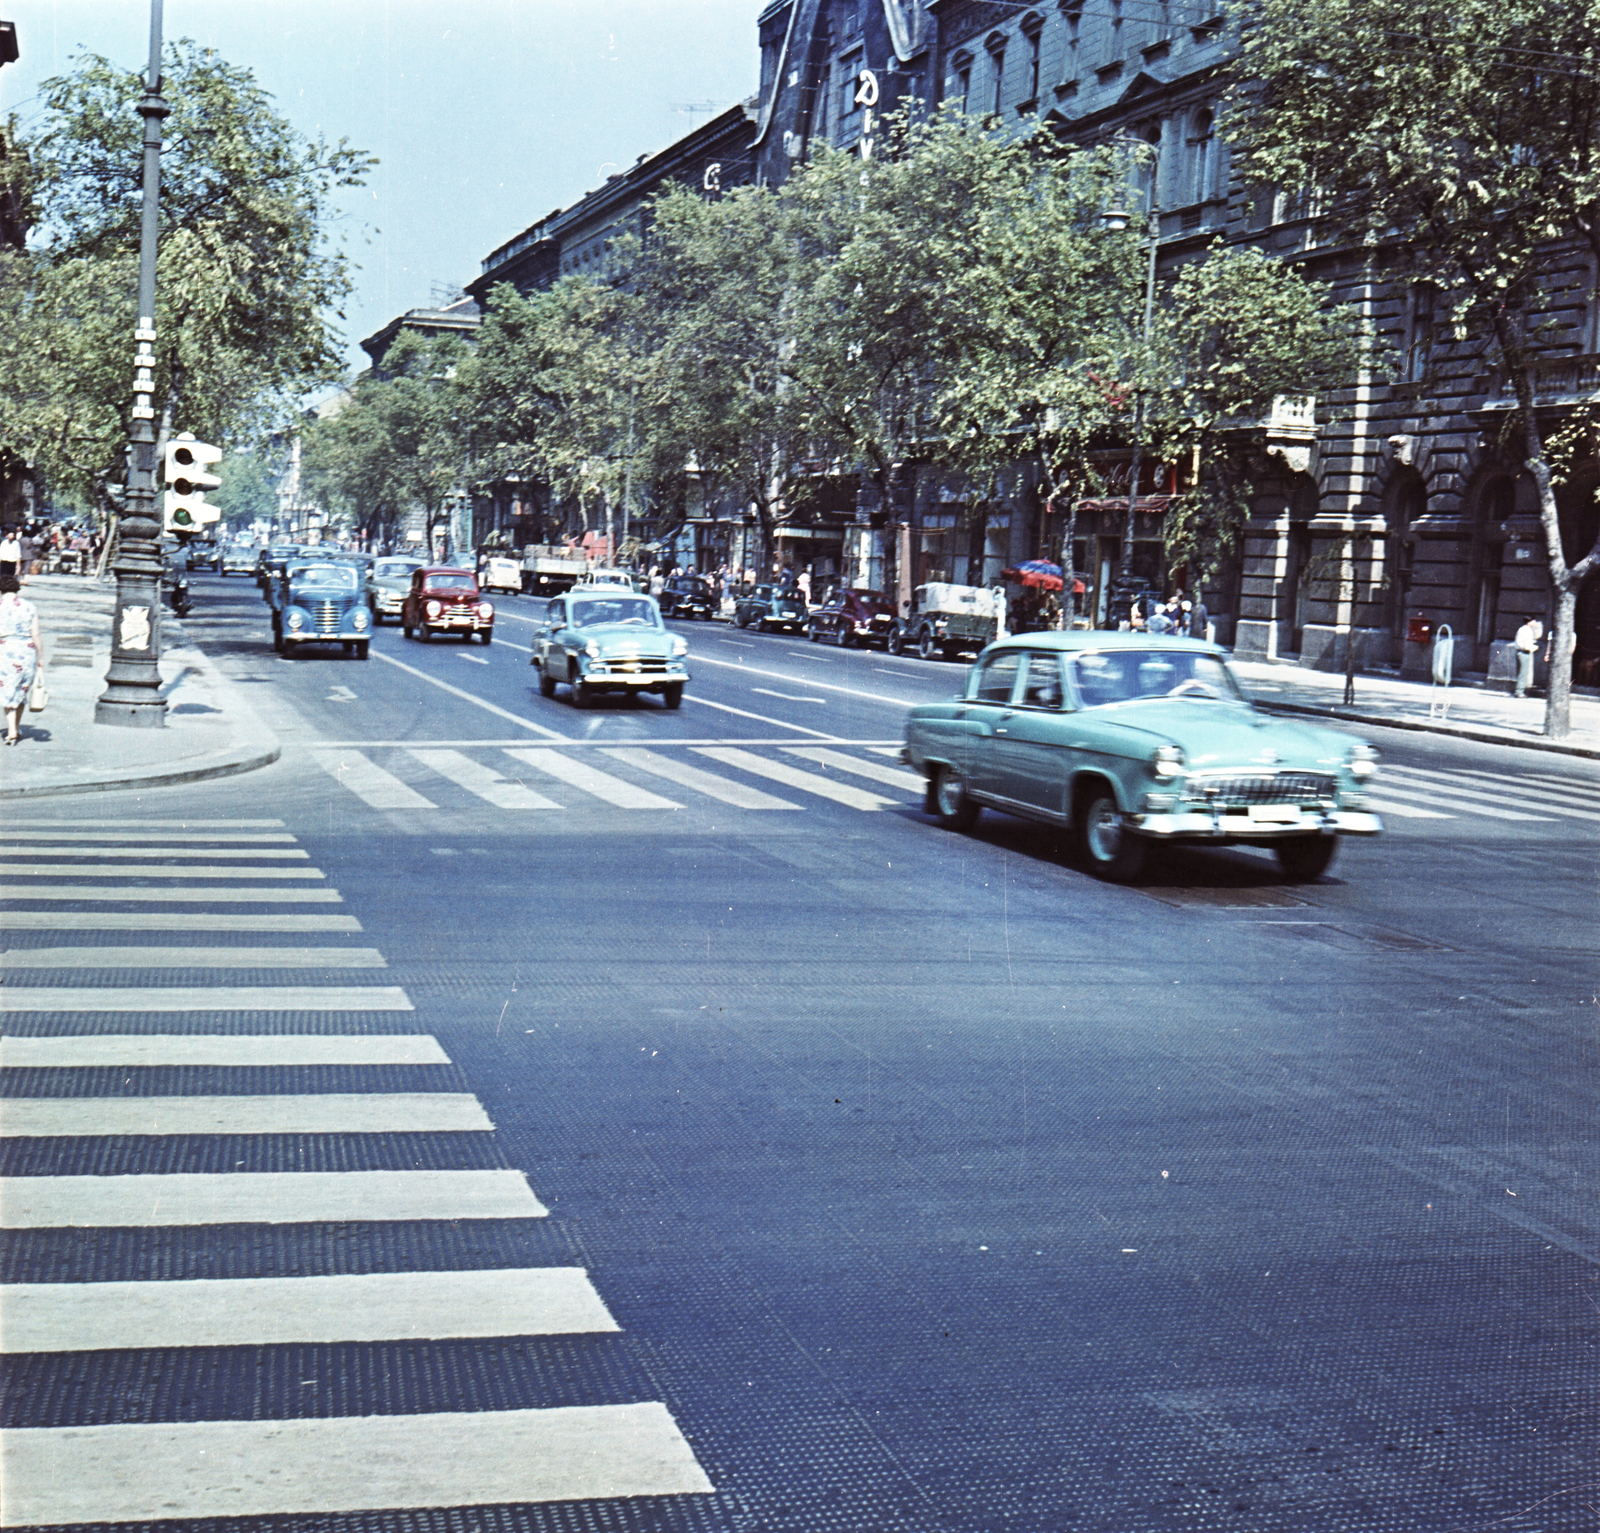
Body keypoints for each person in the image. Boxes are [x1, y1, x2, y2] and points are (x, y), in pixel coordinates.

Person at [0, 573, 42, 745]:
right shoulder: (29, 607)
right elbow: (36, 634)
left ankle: (11, 732)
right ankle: (16, 728)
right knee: (22, 690)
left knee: (8, 690)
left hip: (5, 650)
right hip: (27, 650)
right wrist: (41, 657)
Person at [1513, 617, 1543, 697]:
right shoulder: (1527, 630)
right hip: (1524, 653)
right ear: (1530, 621)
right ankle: (1519, 692)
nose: (1535, 622)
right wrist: (1535, 648)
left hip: (1520, 652)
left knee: (1521, 672)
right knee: (1523, 673)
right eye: (1534, 620)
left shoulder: (1522, 629)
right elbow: (1526, 645)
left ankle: (1519, 690)